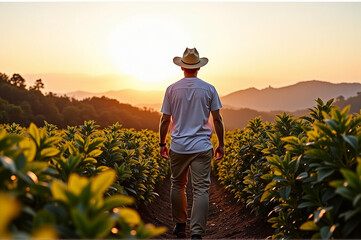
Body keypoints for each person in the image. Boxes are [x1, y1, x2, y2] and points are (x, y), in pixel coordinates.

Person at [159, 47, 225, 239]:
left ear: (182, 68)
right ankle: (196, 233)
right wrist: (221, 144)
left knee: (177, 185)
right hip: (202, 146)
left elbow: (165, 119)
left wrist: (162, 143)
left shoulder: (171, 89)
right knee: (201, 189)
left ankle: (180, 226)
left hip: (178, 146)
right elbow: (218, 119)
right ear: (198, 68)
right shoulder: (209, 89)